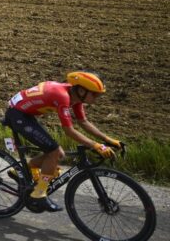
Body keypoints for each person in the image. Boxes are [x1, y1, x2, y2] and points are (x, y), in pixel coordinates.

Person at [6, 71, 120, 213]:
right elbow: (69, 131)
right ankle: (39, 194)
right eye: (95, 94)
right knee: (54, 152)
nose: (97, 98)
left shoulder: (76, 98)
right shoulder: (63, 96)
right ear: (82, 90)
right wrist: (96, 146)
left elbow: (83, 122)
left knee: (57, 154)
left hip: (25, 114)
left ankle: (19, 171)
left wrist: (107, 140)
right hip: (17, 114)